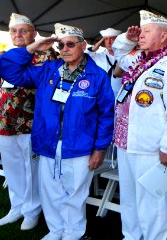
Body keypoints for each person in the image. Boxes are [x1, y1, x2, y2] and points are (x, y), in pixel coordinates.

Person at [0, 23, 115, 240]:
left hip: (80, 145)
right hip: (48, 143)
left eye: (70, 44)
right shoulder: (48, 70)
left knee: (74, 194)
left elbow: (106, 115)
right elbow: (7, 68)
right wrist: (32, 47)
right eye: (61, 45)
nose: (64, 49)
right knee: (50, 191)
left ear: (82, 45)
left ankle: (73, 232)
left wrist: (100, 149)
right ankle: (56, 230)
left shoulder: (98, 75)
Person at [112, 10, 167, 240]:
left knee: (151, 205)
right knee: (128, 199)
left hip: (151, 147)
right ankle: (131, 236)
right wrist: (127, 38)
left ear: (165, 36)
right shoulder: (139, 61)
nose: (142, 35)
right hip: (125, 142)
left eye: (147, 31)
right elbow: (119, 53)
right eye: (141, 31)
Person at [0, 13, 57, 230]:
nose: (18, 34)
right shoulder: (8, 55)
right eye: (14, 31)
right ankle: (17, 207)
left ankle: (32, 210)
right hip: (6, 122)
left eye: (23, 30)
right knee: (12, 168)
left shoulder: (45, 54)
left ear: (33, 33)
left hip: (31, 122)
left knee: (31, 168)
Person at [85, 27, 122, 97]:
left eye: (112, 38)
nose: (109, 42)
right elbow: (82, 58)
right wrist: (93, 49)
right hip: (101, 97)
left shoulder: (124, 57)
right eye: (106, 39)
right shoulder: (98, 57)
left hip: (120, 96)